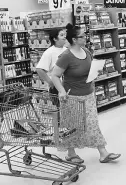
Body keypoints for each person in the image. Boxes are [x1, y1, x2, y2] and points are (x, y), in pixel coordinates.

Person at [51, 24, 121, 164]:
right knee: (72, 126)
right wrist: (62, 91)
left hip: (88, 95)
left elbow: (88, 71)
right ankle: (71, 153)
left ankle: (103, 153)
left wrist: (96, 72)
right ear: (74, 40)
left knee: (92, 124)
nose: (85, 38)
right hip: (72, 97)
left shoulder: (86, 51)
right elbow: (54, 75)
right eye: (82, 36)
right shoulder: (66, 56)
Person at [36, 28, 68, 97]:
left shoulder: (67, 50)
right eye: (62, 35)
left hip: (67, 84)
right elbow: (39, 69)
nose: (65, 37)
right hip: (56, 87)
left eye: (65, 35)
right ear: (55, 39)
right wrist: (50, 82)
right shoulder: (49, 52)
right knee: (60, 107)